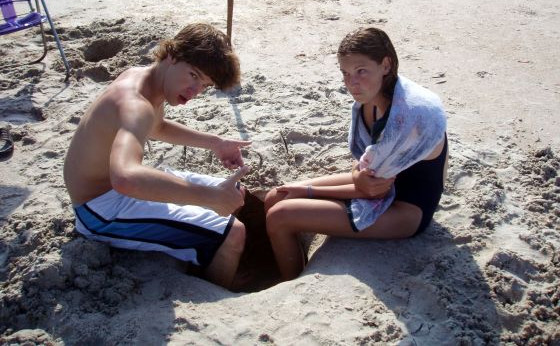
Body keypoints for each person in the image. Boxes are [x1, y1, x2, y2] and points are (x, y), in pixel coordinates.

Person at [64, 23, 251, 289]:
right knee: (234, 234)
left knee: (235, 191)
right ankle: (216, 291)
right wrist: (207, 197)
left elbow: (158, 126)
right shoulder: (135, 105)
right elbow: (125, 178)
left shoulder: (144, 78)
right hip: (100, 209)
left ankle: (208, 258)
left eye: (204, 85)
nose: (194, 91)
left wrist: (216, 143)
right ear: (172, 55)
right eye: (193, 75)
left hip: (116, 192)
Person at [264, 27, 448, 281]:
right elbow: (362, 169)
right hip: (377, 183)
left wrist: (308, 191)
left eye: (361, 71)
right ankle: (286, 265)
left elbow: (373, 189)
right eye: (345, 73)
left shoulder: (409, 116)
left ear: (386, 65)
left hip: (405, 209)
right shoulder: (372, 97)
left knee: (280, 216)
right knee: (276, 196)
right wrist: (355, 175)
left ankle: (288, 284)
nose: (352, 83)